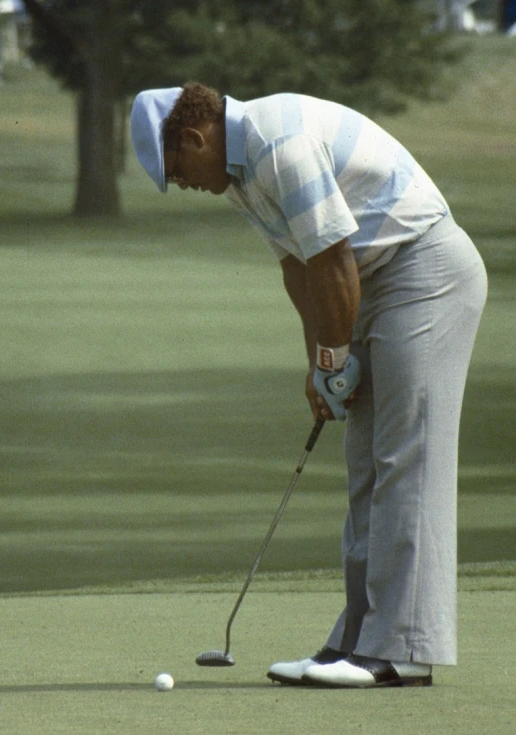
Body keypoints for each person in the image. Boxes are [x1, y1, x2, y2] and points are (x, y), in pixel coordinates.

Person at [130, 83, 487, 688]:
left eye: (178, 171)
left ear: (194, 138)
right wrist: (320, 371)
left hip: (425, 271)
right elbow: (298, 268)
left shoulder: (279, 142)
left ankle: (401, 651)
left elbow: (332, 258)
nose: (183, 184)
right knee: (367, 464)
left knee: (406, 459)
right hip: (371, 283)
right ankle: (357, 641)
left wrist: (332, 356)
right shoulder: (240, 176)